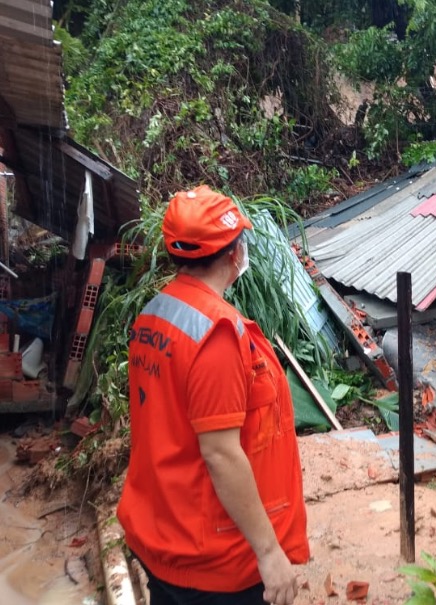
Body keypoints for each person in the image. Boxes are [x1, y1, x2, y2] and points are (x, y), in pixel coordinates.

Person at [117, 185, 309, 605]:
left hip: (162, 533)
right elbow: (220, 454)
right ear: (233, 254)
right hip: (211, 561)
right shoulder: (215, 334)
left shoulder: (155, 315)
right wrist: (269, 552)